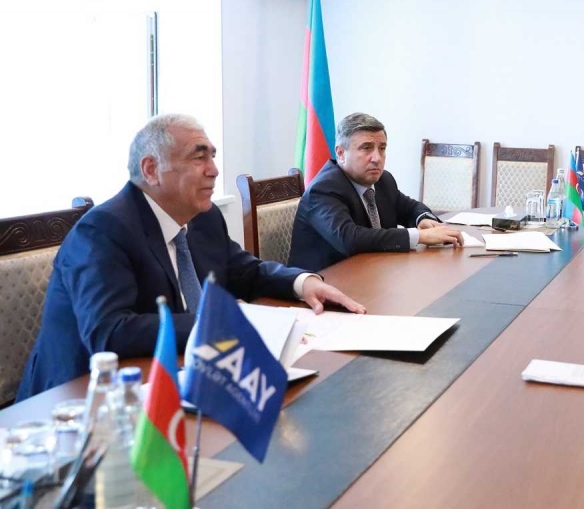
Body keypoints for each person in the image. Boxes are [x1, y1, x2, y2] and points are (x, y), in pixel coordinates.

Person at [18, 114, 364, 400]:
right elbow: (110, 332)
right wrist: (220, 322)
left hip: (184, 373)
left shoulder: (203, 217)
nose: (213, 170)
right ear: (151, 169)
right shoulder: (103, 231)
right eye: (199, 158)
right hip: (79, 402)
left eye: (212, 156)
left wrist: (302, 283)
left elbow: (245, 271)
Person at [288, 112, 463, 271]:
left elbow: (410, 208)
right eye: (366, 148)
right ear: (340, 153)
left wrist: (423, 219)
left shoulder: (383, 180)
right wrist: (419, 236)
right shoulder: (323, 189)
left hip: (373, 273)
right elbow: (349, 238)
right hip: (324, 283)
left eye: (382, 148)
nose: (377, 158)